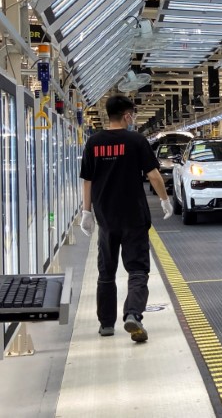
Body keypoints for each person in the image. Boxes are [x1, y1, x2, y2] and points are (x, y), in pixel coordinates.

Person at [79, 95, 173, 343]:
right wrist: (164, 200)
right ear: (127, 115)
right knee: (138, 270)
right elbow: (153, 175)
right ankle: (133, 314)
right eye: (133, 115)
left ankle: (106, 324)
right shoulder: (136, 141)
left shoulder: (93, 143)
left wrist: (86, 212)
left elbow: (87, 180)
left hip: (106, 218)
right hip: (134, 216)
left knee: (106, 272)